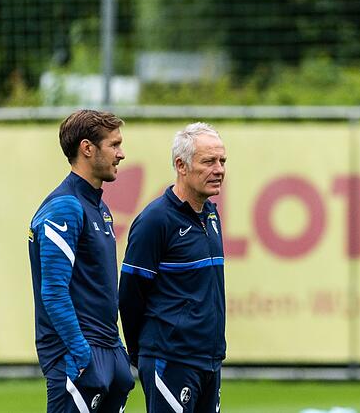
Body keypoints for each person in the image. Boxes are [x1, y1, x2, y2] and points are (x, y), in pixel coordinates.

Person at [28, 109, 135, 413]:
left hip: (106, 349)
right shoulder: (65, 207)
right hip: (76, 356)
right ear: (88, 148)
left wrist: (116, 349)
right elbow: (54, 291)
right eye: (114, 145)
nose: (121, 154)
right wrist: (81, 354)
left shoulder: (99, 208)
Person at [119, 122, 227, 413]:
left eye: (222, 161)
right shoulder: (155, 220)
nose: (219, 169)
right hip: (170, 357)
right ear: (181, 165)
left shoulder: (212, 215)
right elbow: (130, 294)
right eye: (208, 161)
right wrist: (142, 354)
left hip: (209, 359)